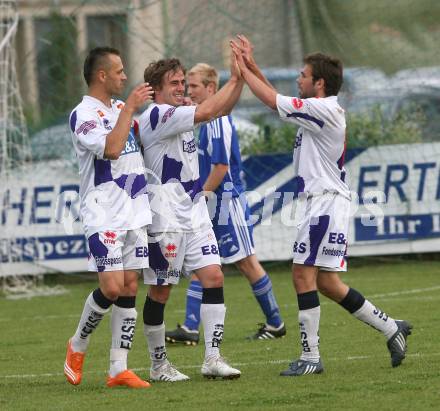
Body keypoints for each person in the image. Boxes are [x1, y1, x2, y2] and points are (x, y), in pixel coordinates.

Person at [230, 35, 412, 376]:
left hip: (324, 205)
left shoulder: (323, 108)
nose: (298, 79)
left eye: (303, 75)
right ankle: (391, 328)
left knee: (302, 273)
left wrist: (241, 70)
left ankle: (311, 357)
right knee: (327, 283)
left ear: (319, 83)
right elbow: (279, 100)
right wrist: (251, 64)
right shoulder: (318, 109)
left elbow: (272, 101)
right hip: (326, 203)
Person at [138, 54, 244, 382]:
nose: (181, 87)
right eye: (174, 83)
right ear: (155, 90)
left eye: (183, 82)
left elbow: (219, 109)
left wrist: (238, 80)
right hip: (165, 217)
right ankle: (158, 366)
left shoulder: (178, 113)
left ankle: (212, 358)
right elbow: (211, 108)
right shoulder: (157, 114)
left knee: (213, 276)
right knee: (161, 293)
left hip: (194, 210)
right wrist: (237, 78)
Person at [165, 63, 286, 346]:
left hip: (227, 204)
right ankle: (191, 328)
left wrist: (201, 195)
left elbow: (220, 167)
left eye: (194, 86)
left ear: (211, 88)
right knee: (203, 262)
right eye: (187, 86)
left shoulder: (218, 120)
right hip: (214, 204)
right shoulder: (208, 117)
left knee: (247, 263)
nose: (188, 91)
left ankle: (276, 323)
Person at [64, 47, 154, 388]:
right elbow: (112, 149)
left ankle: (119, 368)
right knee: (112, 287)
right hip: (104, 214)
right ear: (102, 76)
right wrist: (130, 107)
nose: (124, 76)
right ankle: (78, 343)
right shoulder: (83, 114)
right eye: (118, 71)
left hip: (135, 212)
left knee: (131, 286)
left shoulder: (119, 108)